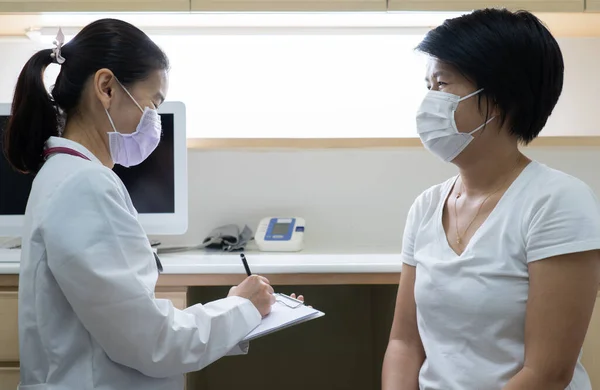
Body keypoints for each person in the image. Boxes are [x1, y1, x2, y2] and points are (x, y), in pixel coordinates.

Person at [3, 19, 303, 390]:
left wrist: (236, 308)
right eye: (152, 104)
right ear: (106, 87)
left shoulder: (66, 173)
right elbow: (154, 343)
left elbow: (134, 326)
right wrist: (242, 308)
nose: (153, 122)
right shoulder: (85, 185)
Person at [382, 8, 600, 390]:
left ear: (499, 98)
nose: (430, 100)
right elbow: (404, 342)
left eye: (443, 83)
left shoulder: (558, 202)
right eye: (428, 85)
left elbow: (547, 374)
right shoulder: (426, 206)